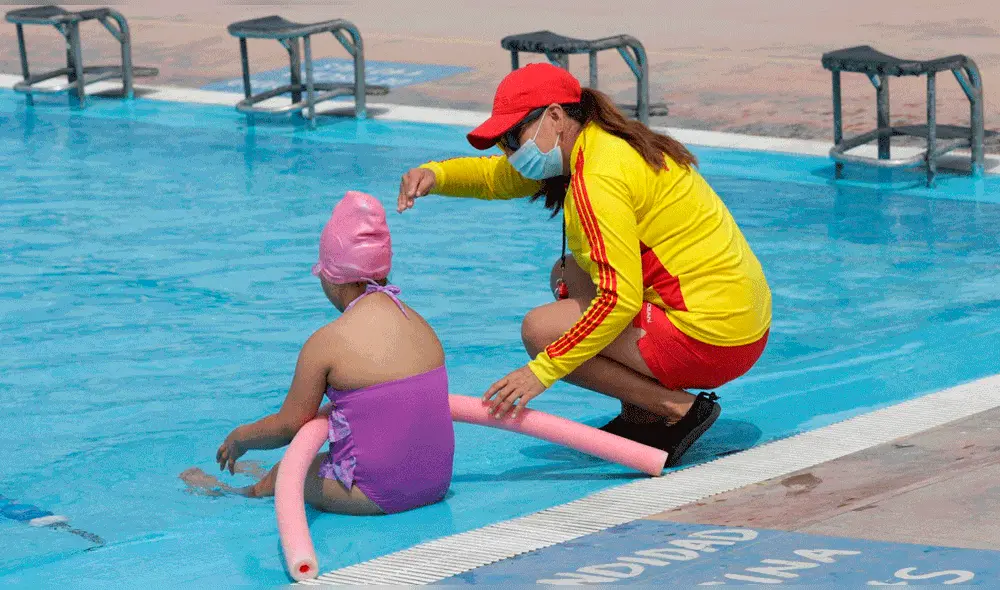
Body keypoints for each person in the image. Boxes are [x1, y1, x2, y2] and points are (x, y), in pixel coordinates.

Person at [397, 63, 771, 467]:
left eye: (511, 137)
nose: (509, 152)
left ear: (555, 116)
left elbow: (618, 300)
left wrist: (542, 371)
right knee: (569, 272)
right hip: (740, 324)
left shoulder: (598, 176)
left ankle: (674, 409)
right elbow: (497, 179)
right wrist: (435, 175)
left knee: (541, 330)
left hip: (711, 341)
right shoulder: (600, 143)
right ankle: (640, 412)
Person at [181, 191, 454, 514]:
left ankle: (233, 492)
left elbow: (288, 426)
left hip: (377, 493)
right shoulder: (419, 324)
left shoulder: (327, 342)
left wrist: (240, 438)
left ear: (332, 278)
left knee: (289, 472)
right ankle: (266, 475)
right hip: (436, 484)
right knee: (313, 460)